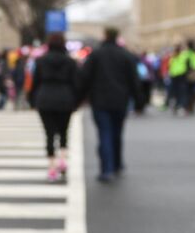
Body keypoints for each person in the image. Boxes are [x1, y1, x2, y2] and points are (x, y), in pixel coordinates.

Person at [78, 27, 140, 183]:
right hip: (121, 100)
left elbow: (85, 77)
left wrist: (79, 97)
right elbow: (134, 80)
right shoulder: (126, 55)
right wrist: (139, 101)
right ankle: (118, 164)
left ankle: (107, 169)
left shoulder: (96, 55)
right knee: (117, 133)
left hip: (100, 100)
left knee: (105, 134)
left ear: (105, 36)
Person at [27, 32, 78, 183]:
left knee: (49, 133)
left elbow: (35, 82)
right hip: (65, 98)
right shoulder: (70, 62)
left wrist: (32, 100)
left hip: (45, 98)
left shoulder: (41, 61)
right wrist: (77, 100)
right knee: (64, 131)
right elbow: (76, 83)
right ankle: (62, 159)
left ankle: (51, 168)